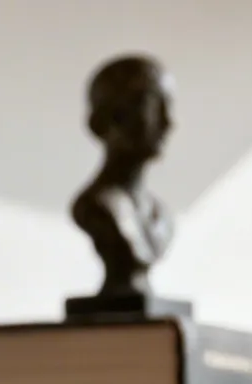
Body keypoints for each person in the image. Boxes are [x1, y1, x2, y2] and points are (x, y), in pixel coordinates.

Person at [71, 55, 176, 300]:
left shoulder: (160, 215)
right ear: (110, 118)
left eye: (167, 106)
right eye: (152, 105)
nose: (168, 122)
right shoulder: (97, 206)